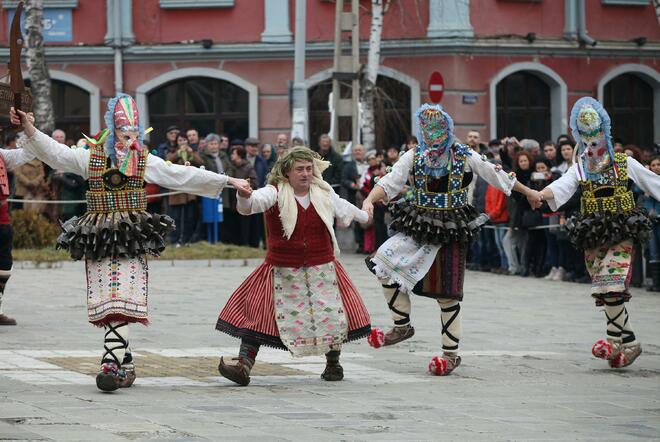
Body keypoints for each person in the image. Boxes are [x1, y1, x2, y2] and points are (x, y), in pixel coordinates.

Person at [10, 96, 249, 391]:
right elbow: (56, 153)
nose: (131, 139)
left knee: (120, 295)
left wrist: (228, 181)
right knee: (107, 298)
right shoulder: (91, 158)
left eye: (135, 133)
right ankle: (126, 364)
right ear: (113, 131)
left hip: (131, 237)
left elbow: (181, 175)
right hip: (99, 236)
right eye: (125, 133)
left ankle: (110, 364)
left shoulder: (144, 161)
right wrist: (30, 128)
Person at [361, 104, 538, 376]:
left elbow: (497, 174)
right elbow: (391, 182)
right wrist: (369, 200)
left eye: (438, 128)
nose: (432, 135)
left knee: (448, 292)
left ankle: (450, 354)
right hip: (418, 222)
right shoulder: (414, 155)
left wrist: (530, 193)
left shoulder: (464, 154)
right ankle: (402, 325)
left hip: (452, 225)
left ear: (448, 129)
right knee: (383, 262)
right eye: (426, 129)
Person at [215, 147, 371, 386]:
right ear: (287, 172)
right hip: (281, 268)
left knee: (330, 314)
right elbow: (249, 206)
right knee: (258, 315)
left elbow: (347, 209)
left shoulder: (324, 193)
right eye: (300, 169)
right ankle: (243, 367)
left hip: (322, 266)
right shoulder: (274, 192)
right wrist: (244, 195)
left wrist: (366, 214)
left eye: (309, 169)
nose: (306, 174)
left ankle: (333, 364)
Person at [534, 97, 660, 369]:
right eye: (587, 140)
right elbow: (562, 186)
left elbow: (653, 183)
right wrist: (539, 194)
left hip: (621, 225)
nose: (593, 145)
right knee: (603, 285)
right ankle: (631, 342)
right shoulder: (580, 167)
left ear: (606, 133)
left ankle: (613, 340)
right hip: (592, 228)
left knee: (612, 280)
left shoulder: (625, 162)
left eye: (597, 138)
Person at [0, 125, 35, 325]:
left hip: (3, 222)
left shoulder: (2, 155)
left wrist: (28, 128)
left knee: (4, 268)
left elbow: (28, 153)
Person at [167, 133, 203, 246]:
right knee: (176, 217)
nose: (183, 143)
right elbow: (167, 162)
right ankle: (175, 239)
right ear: (177, 142)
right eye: (180, 140)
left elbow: (201, 162)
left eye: (184, 140)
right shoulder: (172, 152)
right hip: (177, 189)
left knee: (190, 216)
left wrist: (191, 153)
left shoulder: (192, 152)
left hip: (189, 190)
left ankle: (188, 239)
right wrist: (178, 153)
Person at [641, 156, 660, 292]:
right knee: (653, 252)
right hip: (650, 220)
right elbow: (636, 189)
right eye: (653, 165)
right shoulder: (646, 180)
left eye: (658, 164)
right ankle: (656, 283)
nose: (656, 167)